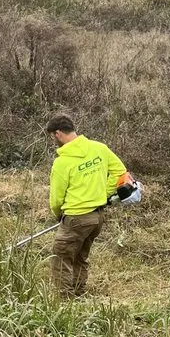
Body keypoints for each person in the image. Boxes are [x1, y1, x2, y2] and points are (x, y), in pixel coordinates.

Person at [46, 114, 126, 297]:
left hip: (75, 218)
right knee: (80, 257)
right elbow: (120, 172)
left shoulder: (62, 162)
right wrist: (103, 194)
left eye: (52, 137)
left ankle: (65, 301)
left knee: (61, 258)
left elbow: (57, 198)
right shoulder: (99, 148)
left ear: (58, 134)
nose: (53, 141)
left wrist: (58, 214)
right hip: (96, 218)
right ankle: (79, 294)